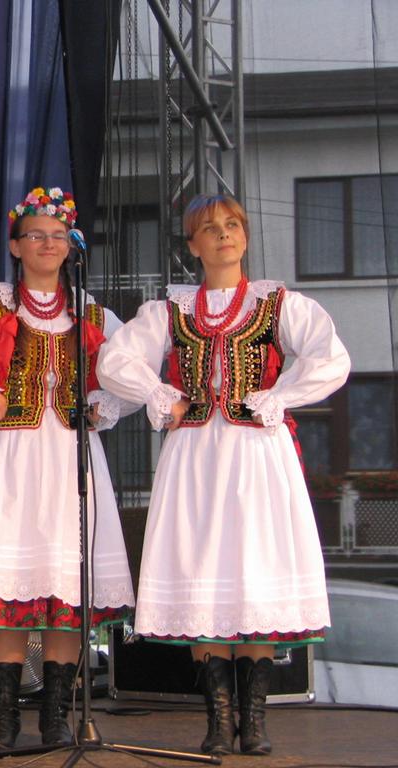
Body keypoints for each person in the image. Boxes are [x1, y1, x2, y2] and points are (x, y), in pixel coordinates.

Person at [96, 193, 351, 756]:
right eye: (210, 228)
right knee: (201, 570)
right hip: (196, 456)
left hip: (257, 452)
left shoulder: (277, 305)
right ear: (192, 245)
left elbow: (331, 358)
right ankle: (218, 716)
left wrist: (281, 395)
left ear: (246, 235)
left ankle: (254, 719)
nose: (223, 235)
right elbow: (114, 362)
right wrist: (161, 394)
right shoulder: (172, 312)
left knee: (252, 570)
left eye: (233, 224)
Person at [0, 187, 135, 753]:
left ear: (71, 246)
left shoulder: (93, 314)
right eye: (36, 235)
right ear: (16, 245)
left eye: (58, 236)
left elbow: (133, 373)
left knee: (66, 590)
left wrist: (104, 404)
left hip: (70, 459)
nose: (48, 244)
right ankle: (4, 719)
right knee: (7, 594)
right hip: (8, 459)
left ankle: (56, 717)